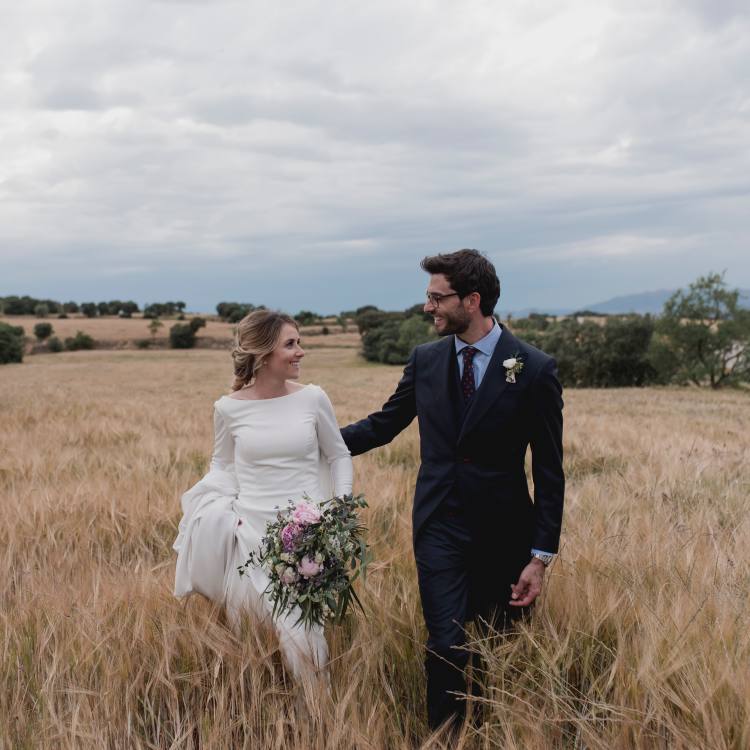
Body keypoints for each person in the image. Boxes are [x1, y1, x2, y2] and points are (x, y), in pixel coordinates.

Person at [341, 249, 564, 730]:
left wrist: (539, 557)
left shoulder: (534, 368)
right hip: (439, 526)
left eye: (437, 298)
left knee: (490, 647)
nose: (428, 307)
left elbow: (549, 470)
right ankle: (443, 739)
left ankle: (485, 733)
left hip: (504, 534)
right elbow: (384, 425)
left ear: (473, 300)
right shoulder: (425, 360)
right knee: (445, 643)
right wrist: (314, 442)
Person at [173, 310, 353, 684]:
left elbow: (338, 456)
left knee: (302, 634)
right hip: (249, 534)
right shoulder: (228, 408)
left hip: (306, 536)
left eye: (299, 342)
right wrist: (213, 512)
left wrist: (339, 513)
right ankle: (262, 713)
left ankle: (318, 719)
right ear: (263, 353)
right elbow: (221, 465)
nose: (300, 351)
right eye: (290, 344)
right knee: (249, 633)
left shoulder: (313, 399)